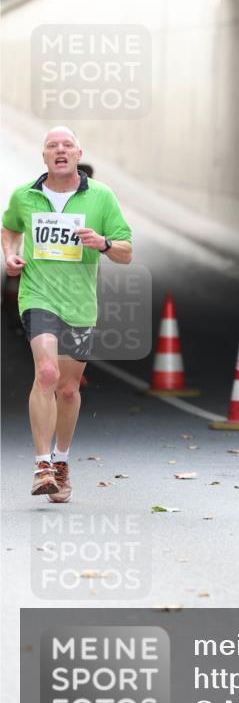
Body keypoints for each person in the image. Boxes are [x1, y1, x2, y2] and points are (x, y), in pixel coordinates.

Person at [1, 127, 132, 502]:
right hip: (38, 294)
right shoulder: (24, 196)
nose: (60, 150)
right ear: (43, 156)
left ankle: (61, 462)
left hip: (79, 304)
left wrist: (104, 243)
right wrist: (9, 254)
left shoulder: (101, 197)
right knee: (46, 372)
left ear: (78, 153)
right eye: (52, 146)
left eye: (67, 145)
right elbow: (9, 227)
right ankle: (42, 464)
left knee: (69, 388)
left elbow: (126, 251)